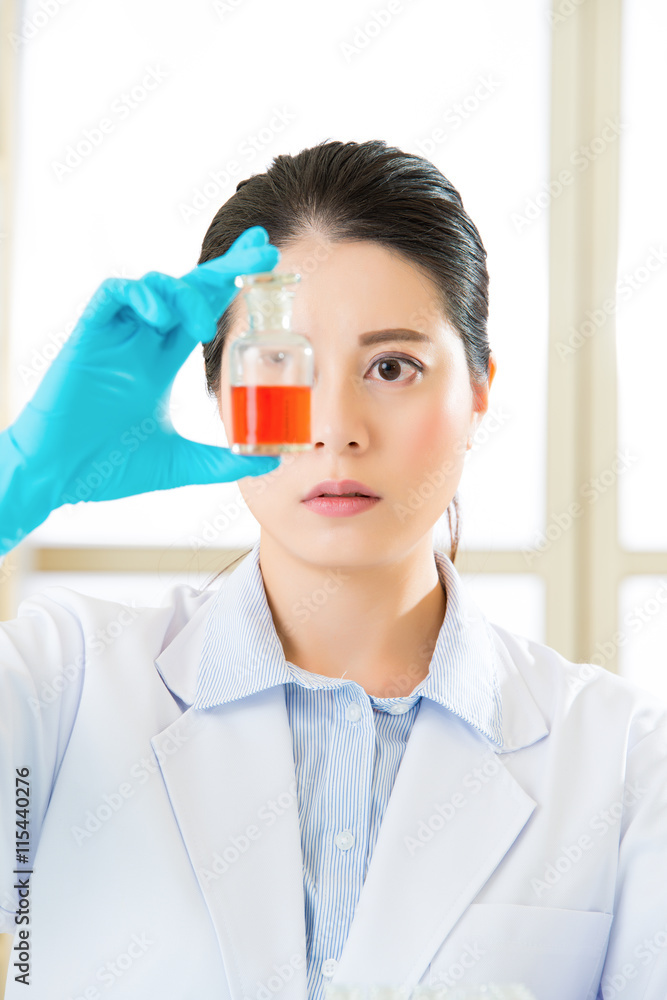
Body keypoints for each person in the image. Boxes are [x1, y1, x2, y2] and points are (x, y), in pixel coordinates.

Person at [0, 138, 666, 1000]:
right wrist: (14, 488)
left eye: (392, 367)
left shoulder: (618, 756)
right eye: (281, 363)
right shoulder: (57, 684)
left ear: (479, 391)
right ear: (219, 393)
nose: (336, 429)